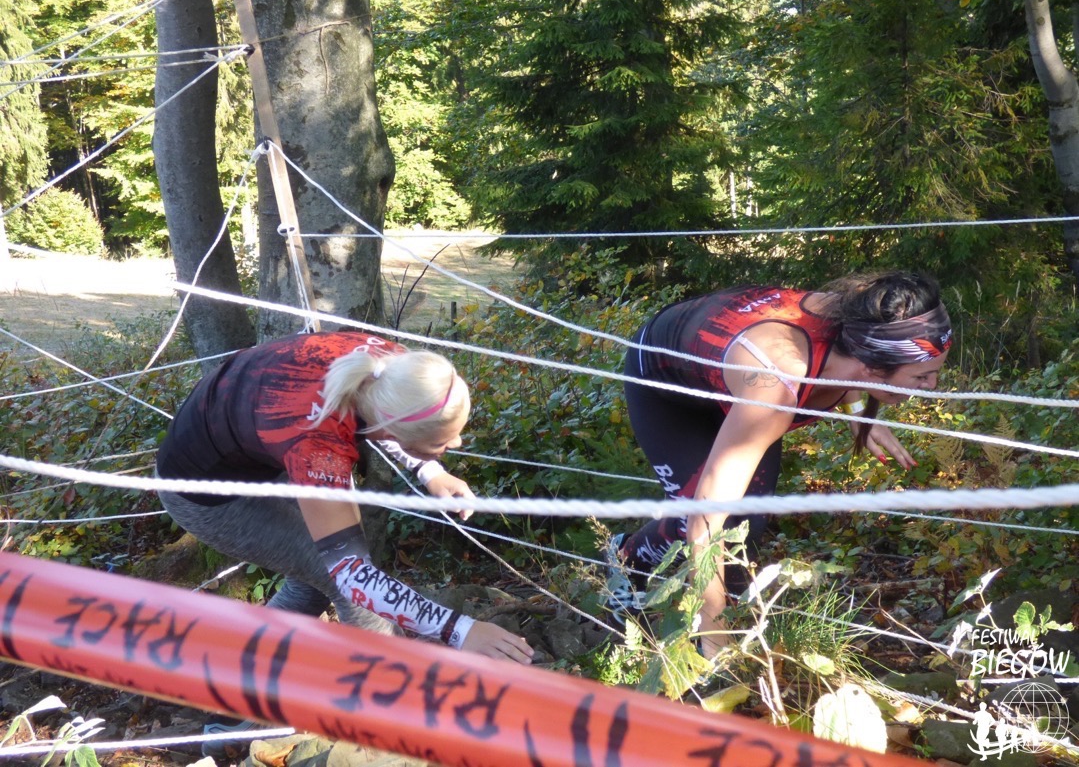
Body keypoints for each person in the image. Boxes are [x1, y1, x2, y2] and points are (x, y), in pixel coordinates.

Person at [156, 330, 533, 756]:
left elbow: (384, 418)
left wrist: (431, 471)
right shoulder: (319, 444)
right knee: (344, 584)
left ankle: (233, 687)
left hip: (257, 445)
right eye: (441, 443)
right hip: (206, 491)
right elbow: (356, 580)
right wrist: (462, 631)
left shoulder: (397, 368)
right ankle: (398, 713)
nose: (457, 445)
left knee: (317, 576)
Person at [607, 271, 952, 656]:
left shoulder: (863, 316)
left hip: (736, 376)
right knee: (706, 520)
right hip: (666, 377)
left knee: (747, 523)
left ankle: (734, 631)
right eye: (922, 375)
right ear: (872, 367)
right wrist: (713, 637)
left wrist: (858, 409)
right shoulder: (776, 385)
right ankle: (627, 561)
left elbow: (851, 364)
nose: (932, 387)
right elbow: (706, 520)